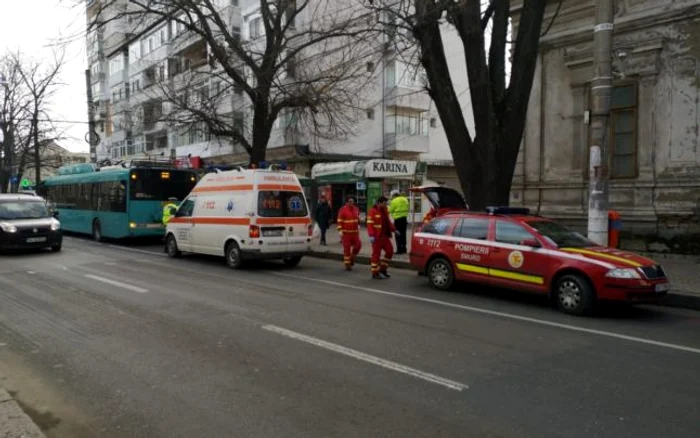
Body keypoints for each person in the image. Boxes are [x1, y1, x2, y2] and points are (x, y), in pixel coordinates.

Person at [367, 196, 396, 279]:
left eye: (386, 203)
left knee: (390, 251)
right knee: (376, 254)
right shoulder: (373, 211)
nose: (386, 205)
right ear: (379, 203)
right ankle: (375, 272)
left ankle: (383, 269)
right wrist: (371, 235)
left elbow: (388, 222)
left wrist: (394, 230)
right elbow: (369, 224)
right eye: (384, 203)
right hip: (377, 237)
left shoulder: (385, 210)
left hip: (385, 236)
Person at [336, 197, 362, 270]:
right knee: (347, 249)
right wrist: (340, 230)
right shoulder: (342, 209)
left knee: (358, 246)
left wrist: (359, 223)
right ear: (346, 202)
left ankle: (351, 258)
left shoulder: (356, 209)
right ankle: (347, 264)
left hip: (355, 233)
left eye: (352, 201)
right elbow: (339, 220)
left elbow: (358, 218)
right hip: (346, 233)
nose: (352, 203)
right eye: (350, 201)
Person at [389, 189, 409, 254]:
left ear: (394, 195)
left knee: (398, 235)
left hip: (397, 220)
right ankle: (404, 249)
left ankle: (399, 250)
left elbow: (390, 210)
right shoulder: (405, 199)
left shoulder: (394, 201)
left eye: (392, 196)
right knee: (404, 234)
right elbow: (408, 208)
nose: (392, 197)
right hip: (404, 219)